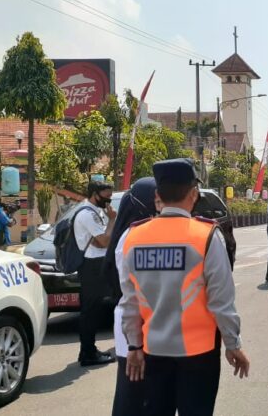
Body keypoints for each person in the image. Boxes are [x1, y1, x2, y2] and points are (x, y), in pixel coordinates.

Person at [118, 159, 250, 415]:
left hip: (153, 351)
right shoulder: (207, 236)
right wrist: (234, 345)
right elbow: (221, 301)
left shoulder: (134, 238)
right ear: (193, 194)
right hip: (199, 354)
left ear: (158, 196)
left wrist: (134, 346)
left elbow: (129, 302)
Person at [106, 177, 159, 416]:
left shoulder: (133, 233)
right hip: (134, 322)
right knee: (133, 396)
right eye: (157, 199)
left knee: (135, 393)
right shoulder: (134, 236)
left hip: (133, 321)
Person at [76, 180, 117, 366]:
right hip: (90, 266)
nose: (108, 201)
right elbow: (103, 241)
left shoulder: (95, 211)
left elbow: (102, 239)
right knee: (89, 311)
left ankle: (88, 350)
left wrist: (105, 235)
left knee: (94, 310)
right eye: (106, 196)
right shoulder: (86, 214)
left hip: (96, 264)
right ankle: (88, 353)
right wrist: (112, 220)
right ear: (94, 194)